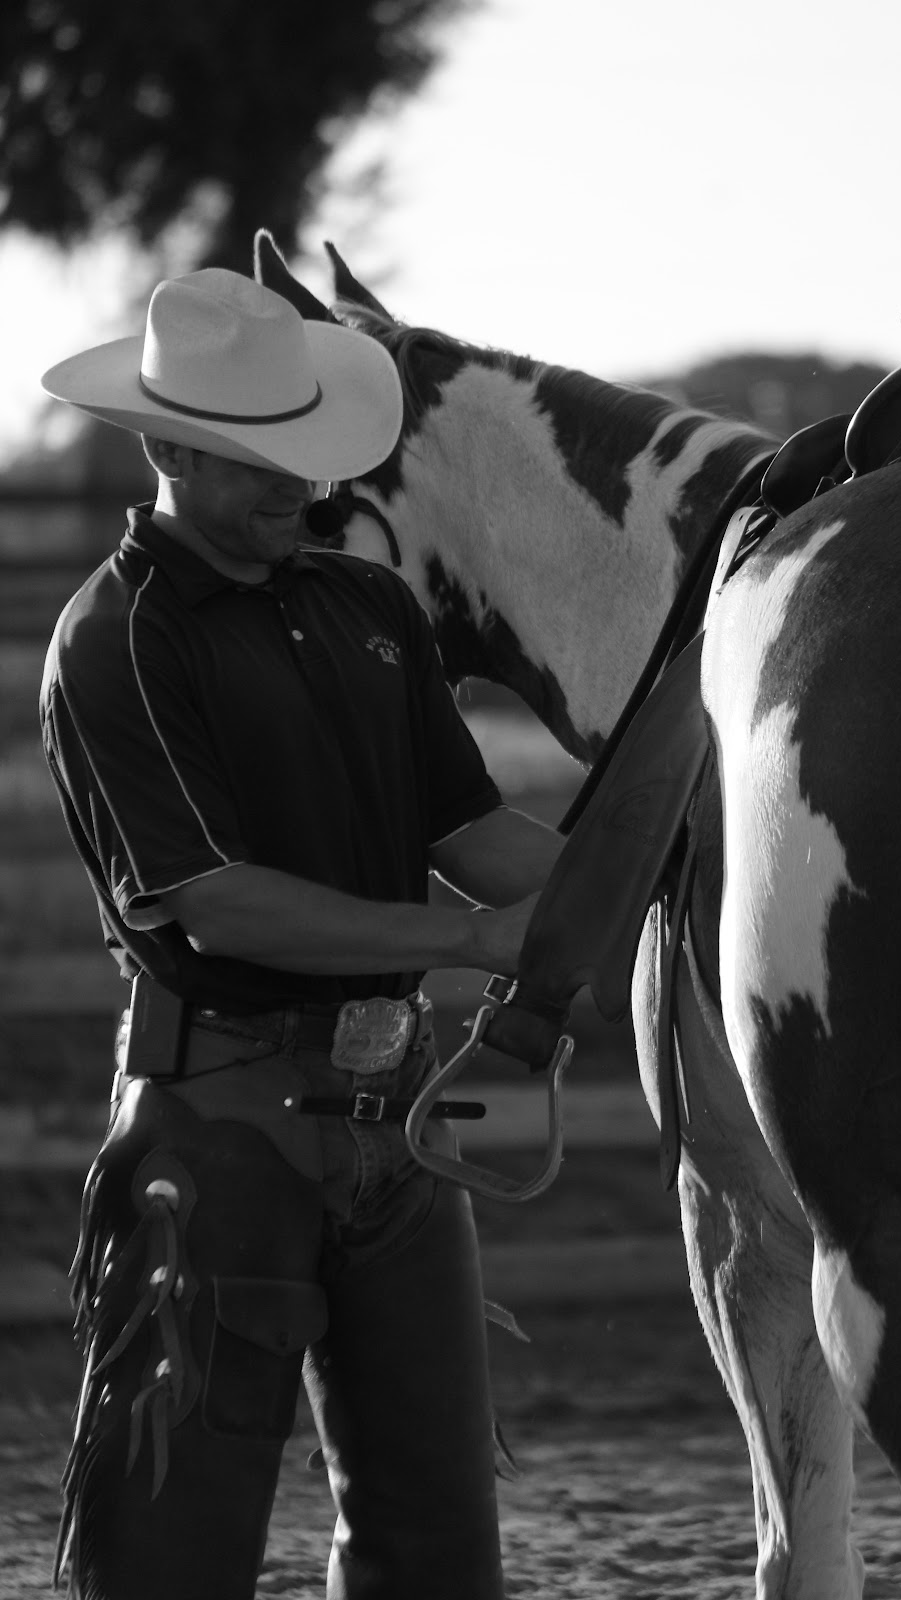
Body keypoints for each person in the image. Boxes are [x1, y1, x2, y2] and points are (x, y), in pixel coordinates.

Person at [38, 268, 564, 1600]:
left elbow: (472, 829)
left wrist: (634, 884)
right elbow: (215, 898)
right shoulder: (116, 641)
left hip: (396, 1128)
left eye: (303, 454)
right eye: (258, 463)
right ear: (162, 446)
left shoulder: (372, 612)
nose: (300, 487)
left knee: (439, 1553)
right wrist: (481, 944)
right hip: (215, 1134)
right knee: (166, 1557)